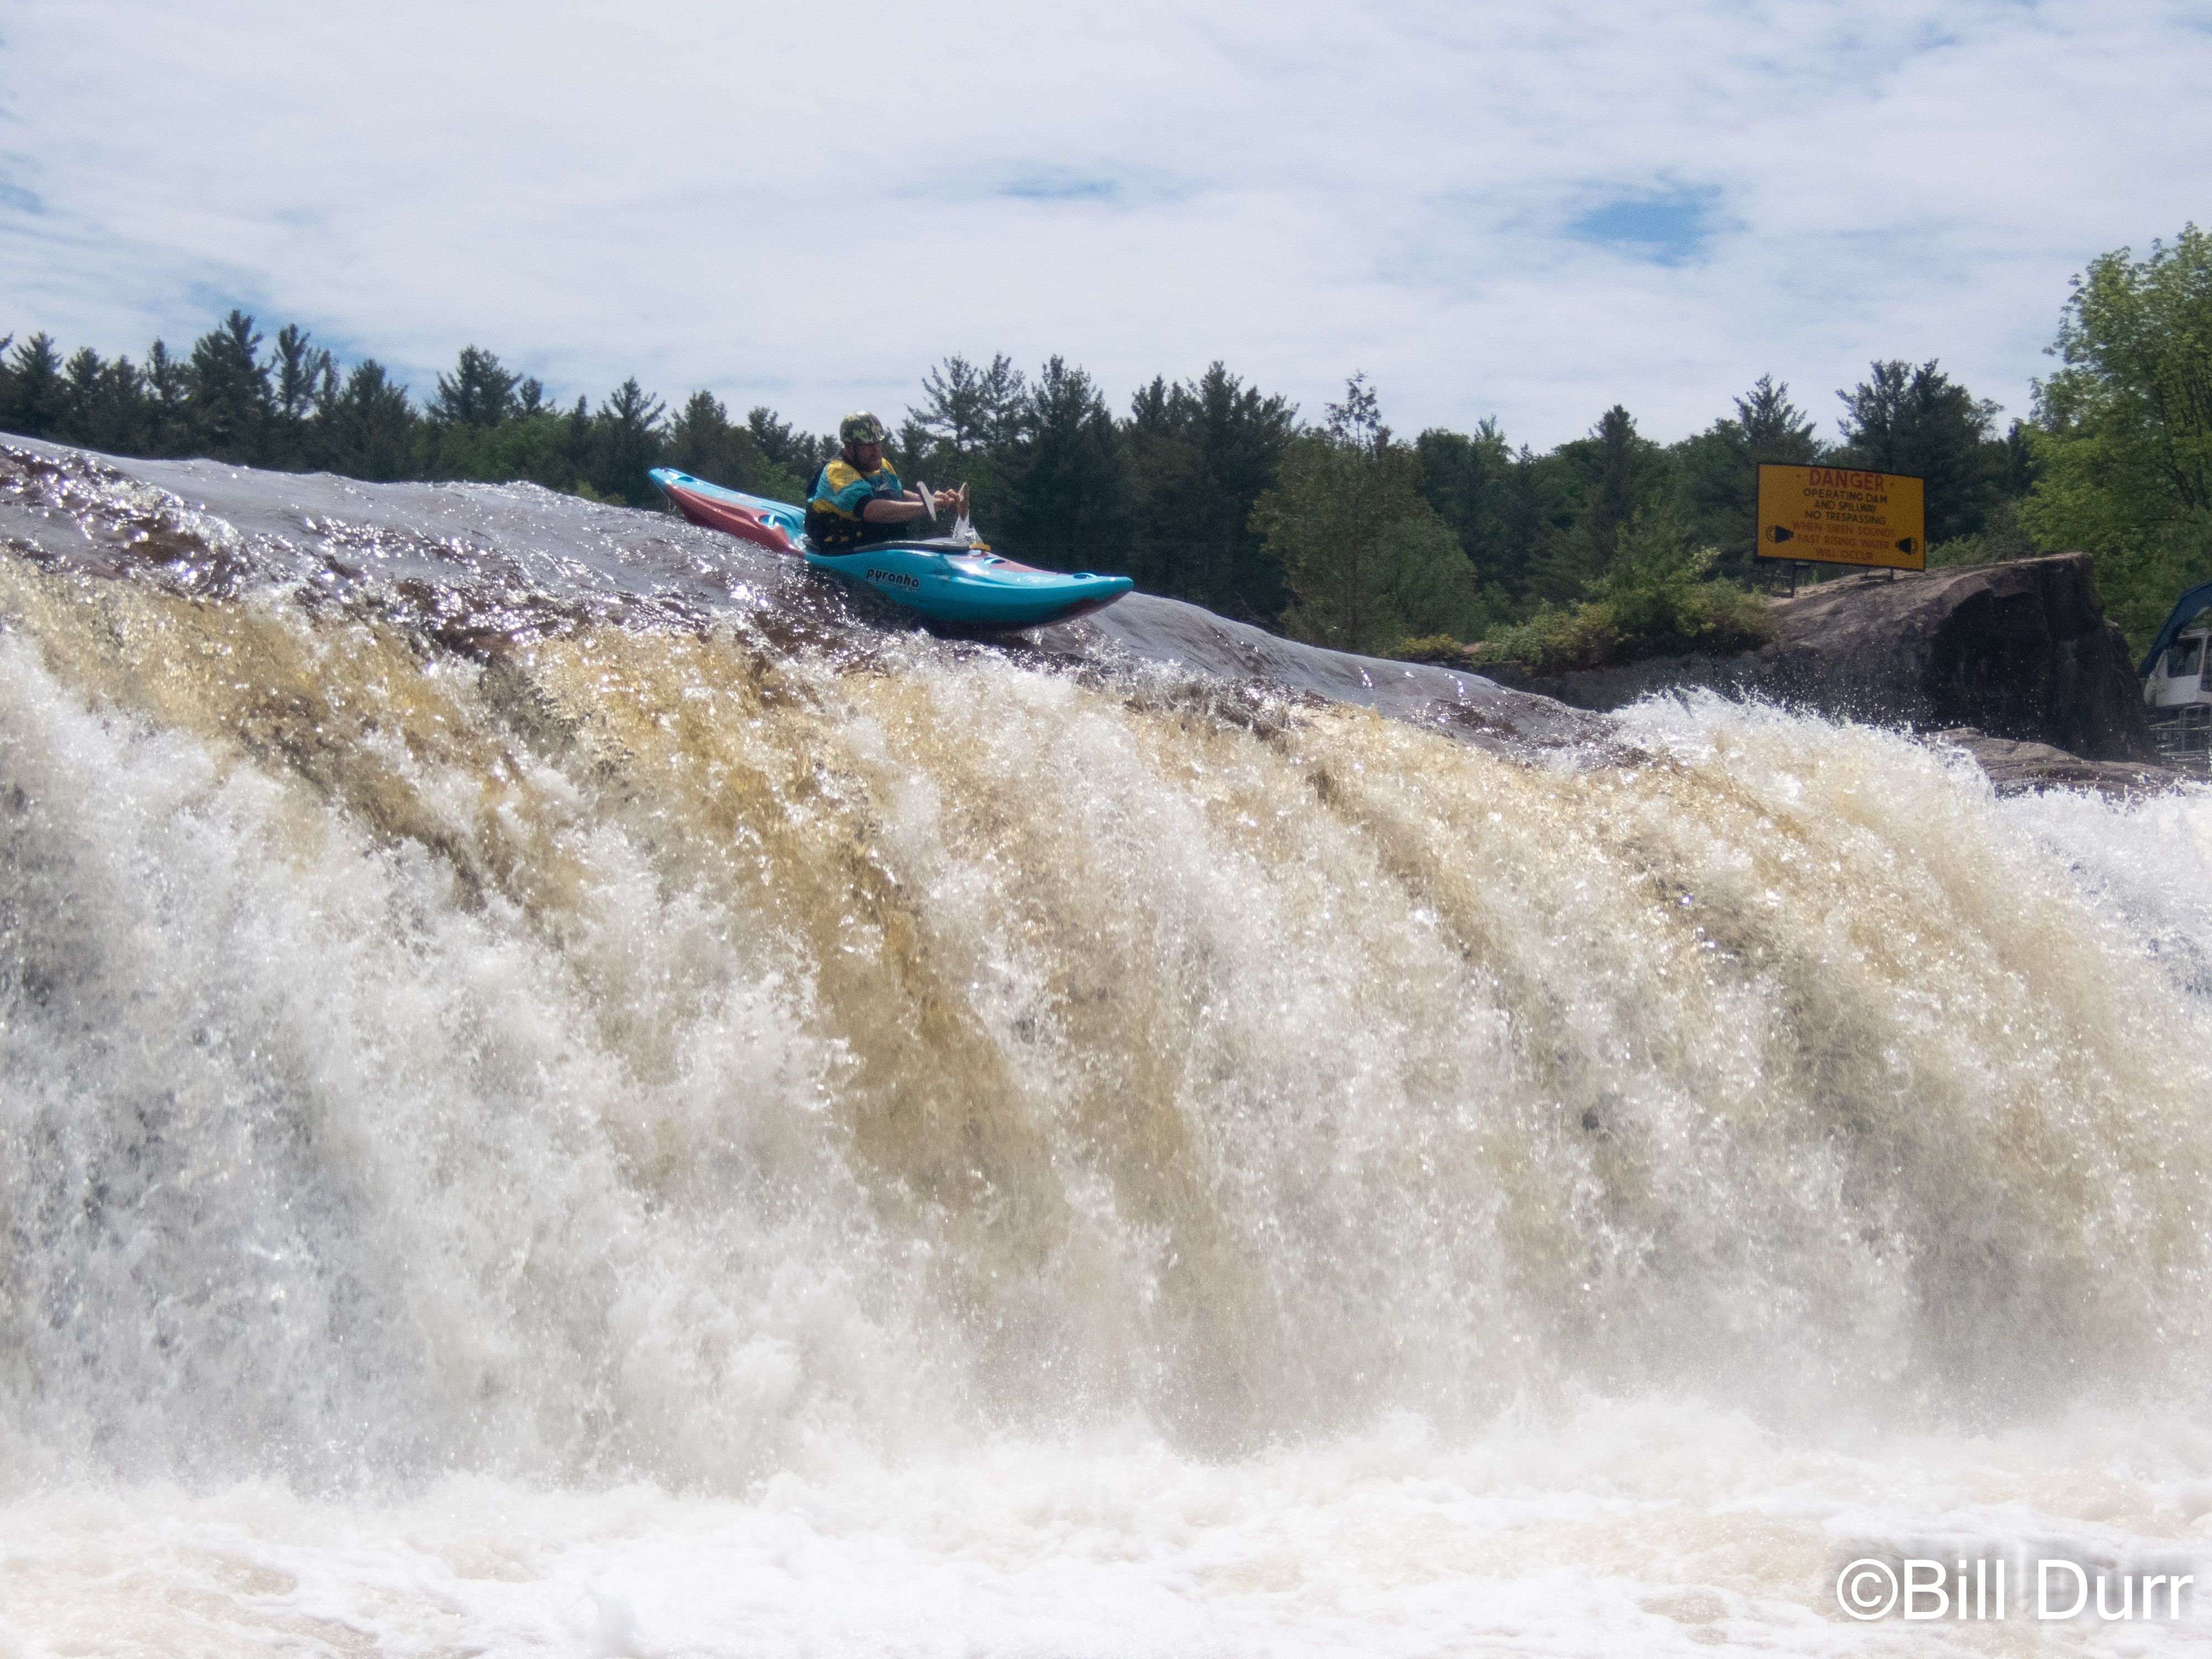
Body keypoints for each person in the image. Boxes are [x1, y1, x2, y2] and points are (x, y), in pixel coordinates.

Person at [804, 413, 965, 552]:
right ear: (849, 447)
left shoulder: (883, 466)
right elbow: (870, 510)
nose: (876, 451)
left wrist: (935, 501)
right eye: (868, 445)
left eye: (878, 443)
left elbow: (898, 495)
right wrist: (925, 506)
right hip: (840, 553)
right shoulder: (838, 471)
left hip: (876, 551)